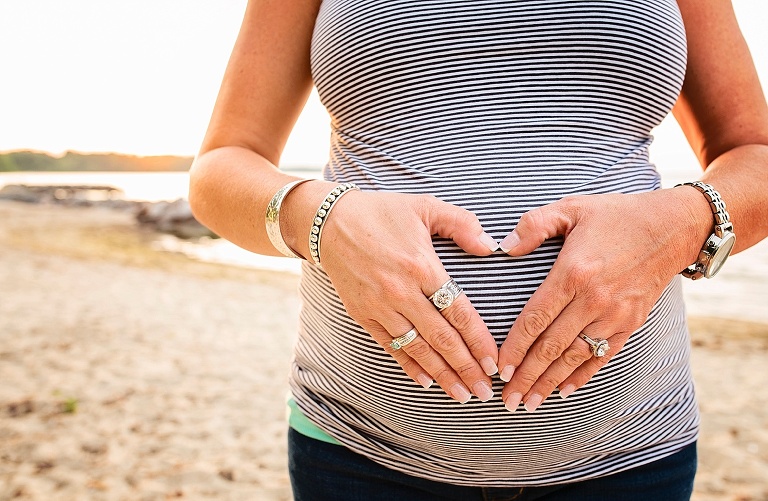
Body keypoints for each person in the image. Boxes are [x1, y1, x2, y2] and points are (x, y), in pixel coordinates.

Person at [188, 0, 768, 499]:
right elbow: (221, 167)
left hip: (632, 451)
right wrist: (321, 217)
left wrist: (684, 219)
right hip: (358, 448)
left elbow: (755, 153)